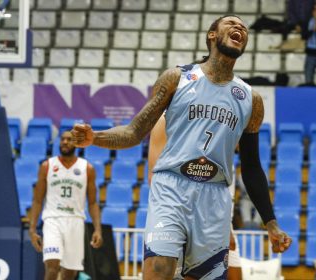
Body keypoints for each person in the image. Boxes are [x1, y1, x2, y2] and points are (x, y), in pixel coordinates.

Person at [71, 15, 291, 280]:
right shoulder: (177, 78)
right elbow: (133, 132)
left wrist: (271, 223)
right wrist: (95, 137)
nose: (240, 28)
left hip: (215, 196)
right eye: (231, 23)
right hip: (172, 187)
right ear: (211, 35)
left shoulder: (250, 100)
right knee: (159, 270)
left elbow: (252, 167)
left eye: (244, 27)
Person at [148, 115, 242, 280]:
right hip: (184, 216)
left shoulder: (222, 118)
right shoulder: (166, 120)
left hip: (219, 219)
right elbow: (154, 177)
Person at [28, 131, 103, 280]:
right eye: (62, 139)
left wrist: (98, 230)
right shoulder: (47, 166)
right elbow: (37, 200)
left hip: (76, 221)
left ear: (76, 143)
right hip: (52, 220)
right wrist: (32, 229)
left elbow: (93, 202)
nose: (65, 142)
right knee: (52, 267)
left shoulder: (87, 168)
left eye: (69, 139)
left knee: (70, 273)